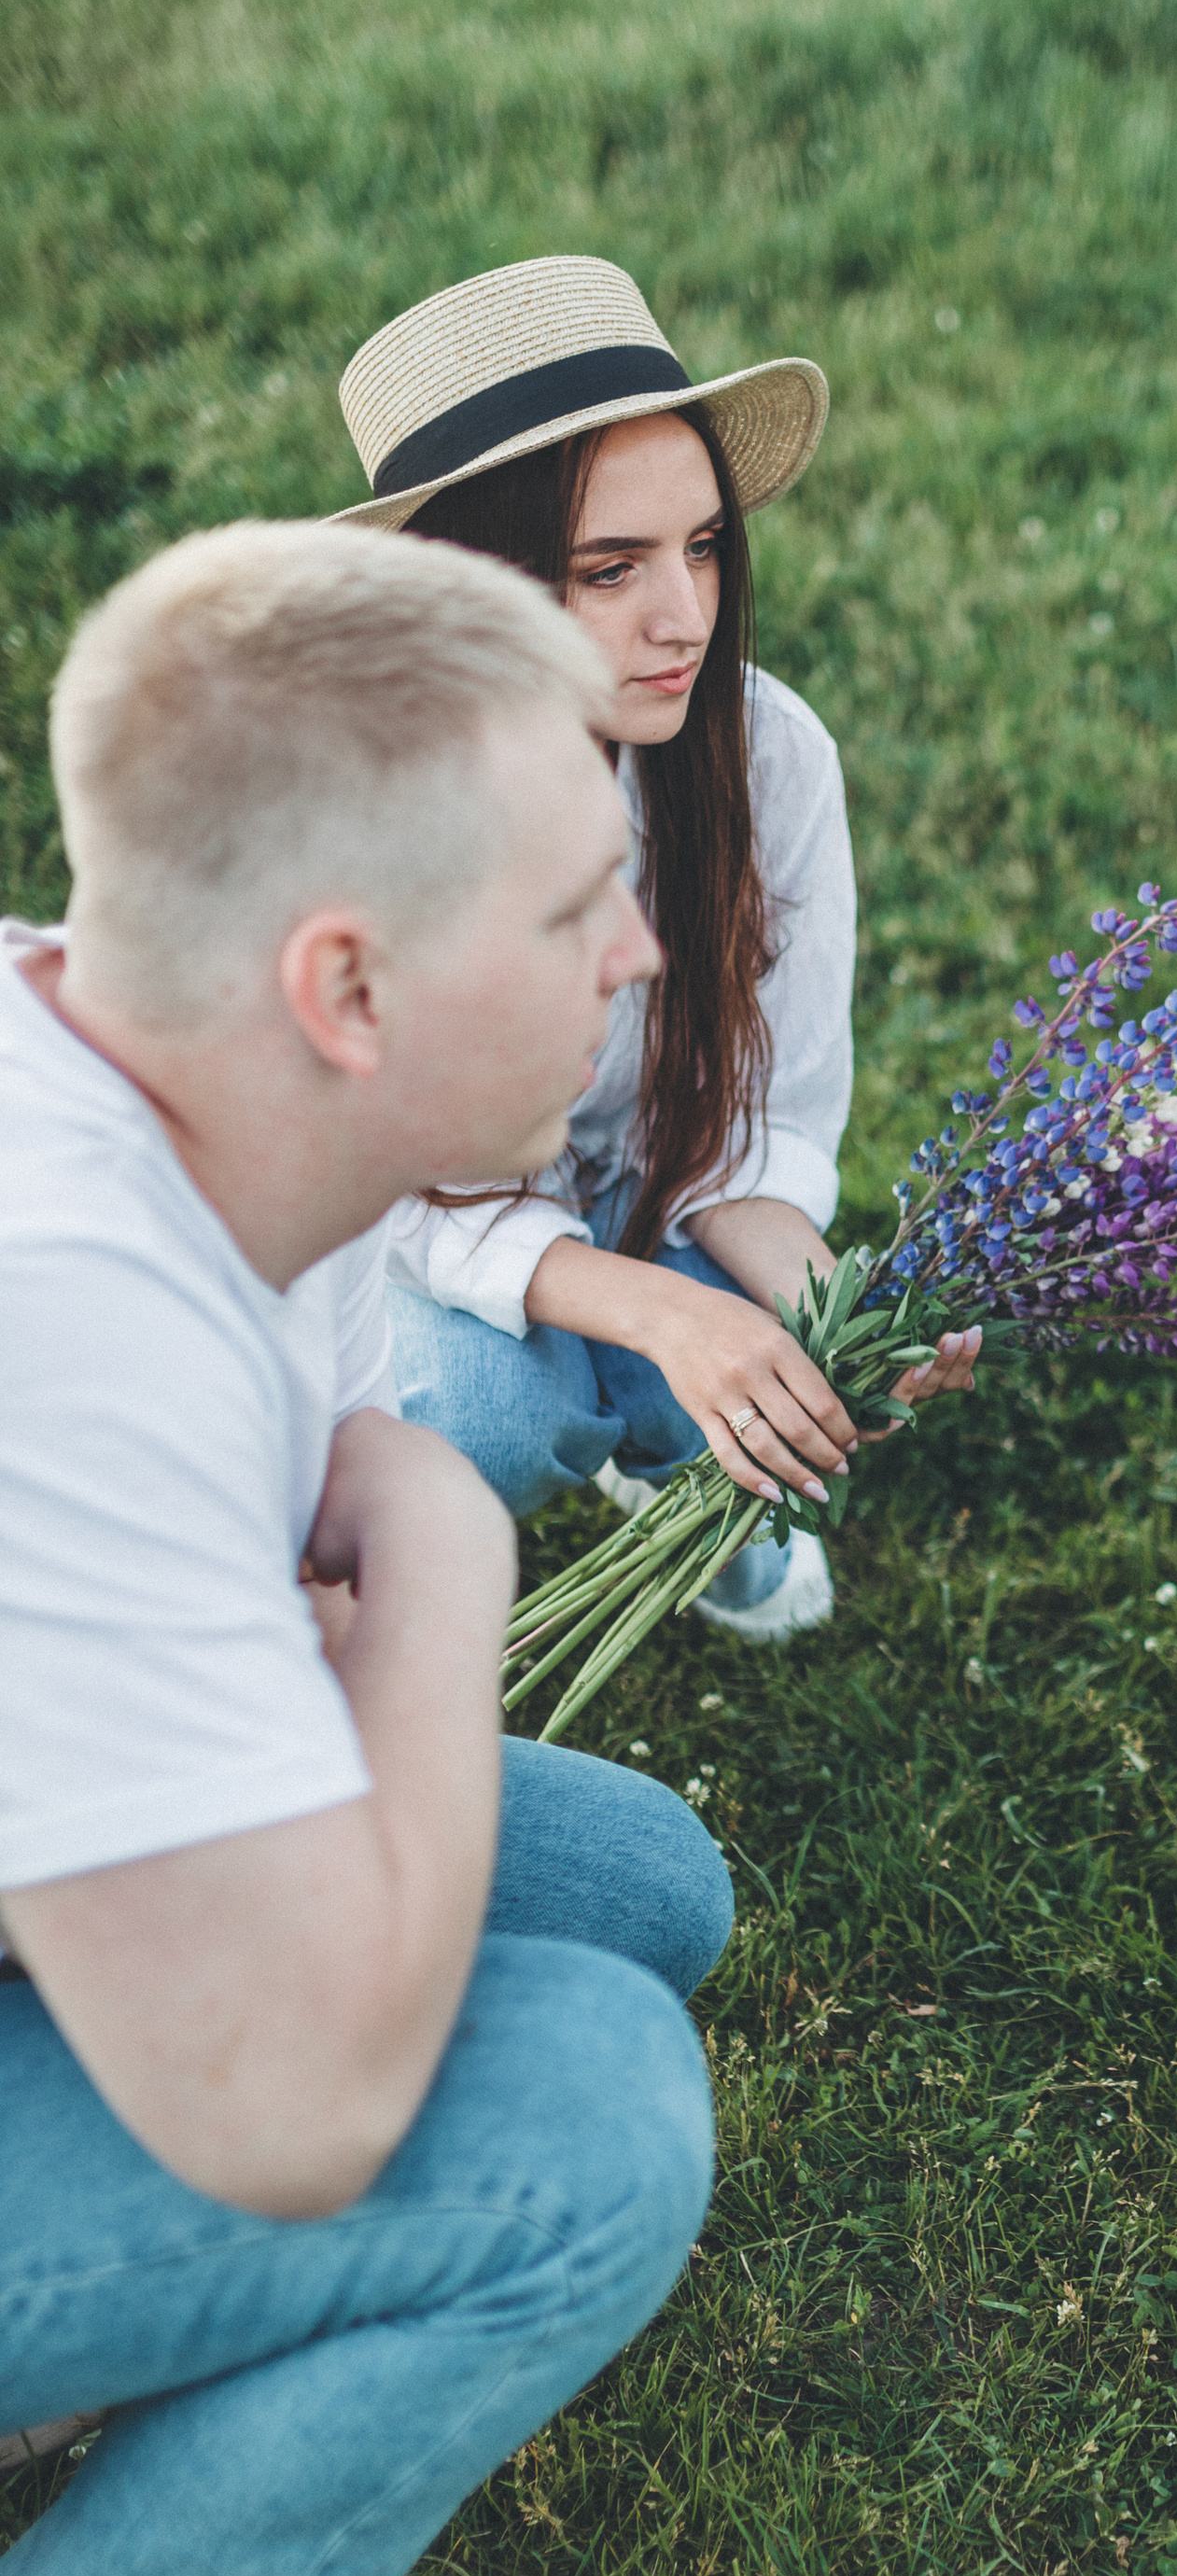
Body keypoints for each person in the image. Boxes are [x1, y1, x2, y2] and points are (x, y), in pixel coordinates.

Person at [0, 521, 730, 2576]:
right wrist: (433, 1537)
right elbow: (300, 2109)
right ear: (348, 985)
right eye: (577, 911)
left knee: (637, 1887)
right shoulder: (67, 1329)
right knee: (582, 2122)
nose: (635, 955)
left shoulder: (139, 1061)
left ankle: (85, 2384)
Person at [333, 253, 974, 1637]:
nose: (684, 618)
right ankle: (355, 1581)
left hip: (656, 1191)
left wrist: (827, 1297)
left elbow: (766, 1109)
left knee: (767, 1354)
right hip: (421, 1253)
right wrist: (662, 1319)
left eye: (701, 547)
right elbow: (377, 1195)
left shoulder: (768, 756)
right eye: (609, 570)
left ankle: (694, 1513)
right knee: (502, 1403)